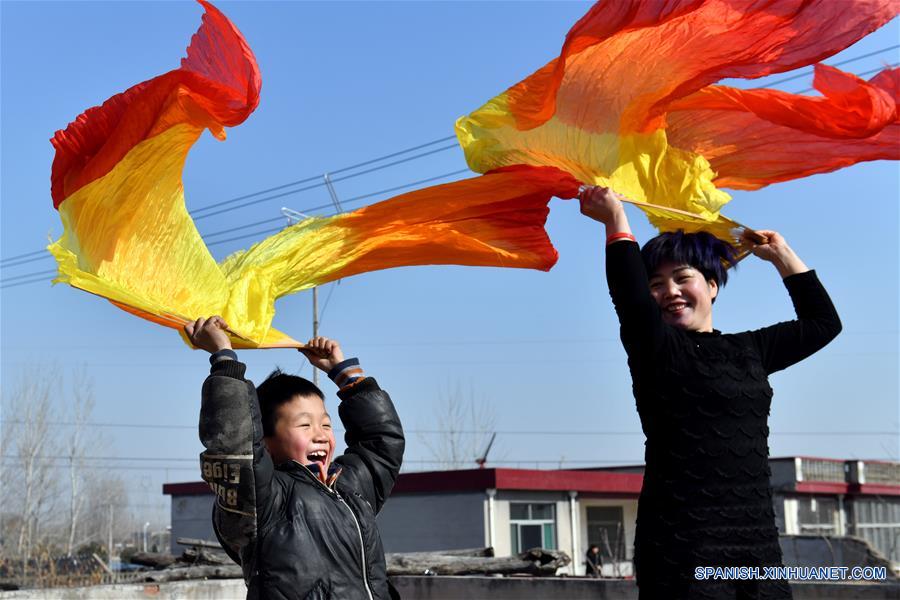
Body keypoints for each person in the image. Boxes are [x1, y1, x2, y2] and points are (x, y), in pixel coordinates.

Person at [579, 187, 841, 599]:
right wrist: (616, 219)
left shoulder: (751, 349)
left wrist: (783, 255)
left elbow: (823, 324)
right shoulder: (656, 349)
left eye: (683, 278)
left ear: (713, 285)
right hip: (681, 543)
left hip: (756, 542)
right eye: (657, 284)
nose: (670, 291)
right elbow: (629, 299)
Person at [185, 316, 404, 600]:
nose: (321, 434)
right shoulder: (266, 500)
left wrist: (343, 374)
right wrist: (224, 357)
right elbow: (235, 447)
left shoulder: (351, 490)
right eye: (305, 425)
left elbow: (381, 443)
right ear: (265, 440)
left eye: (325, 424)